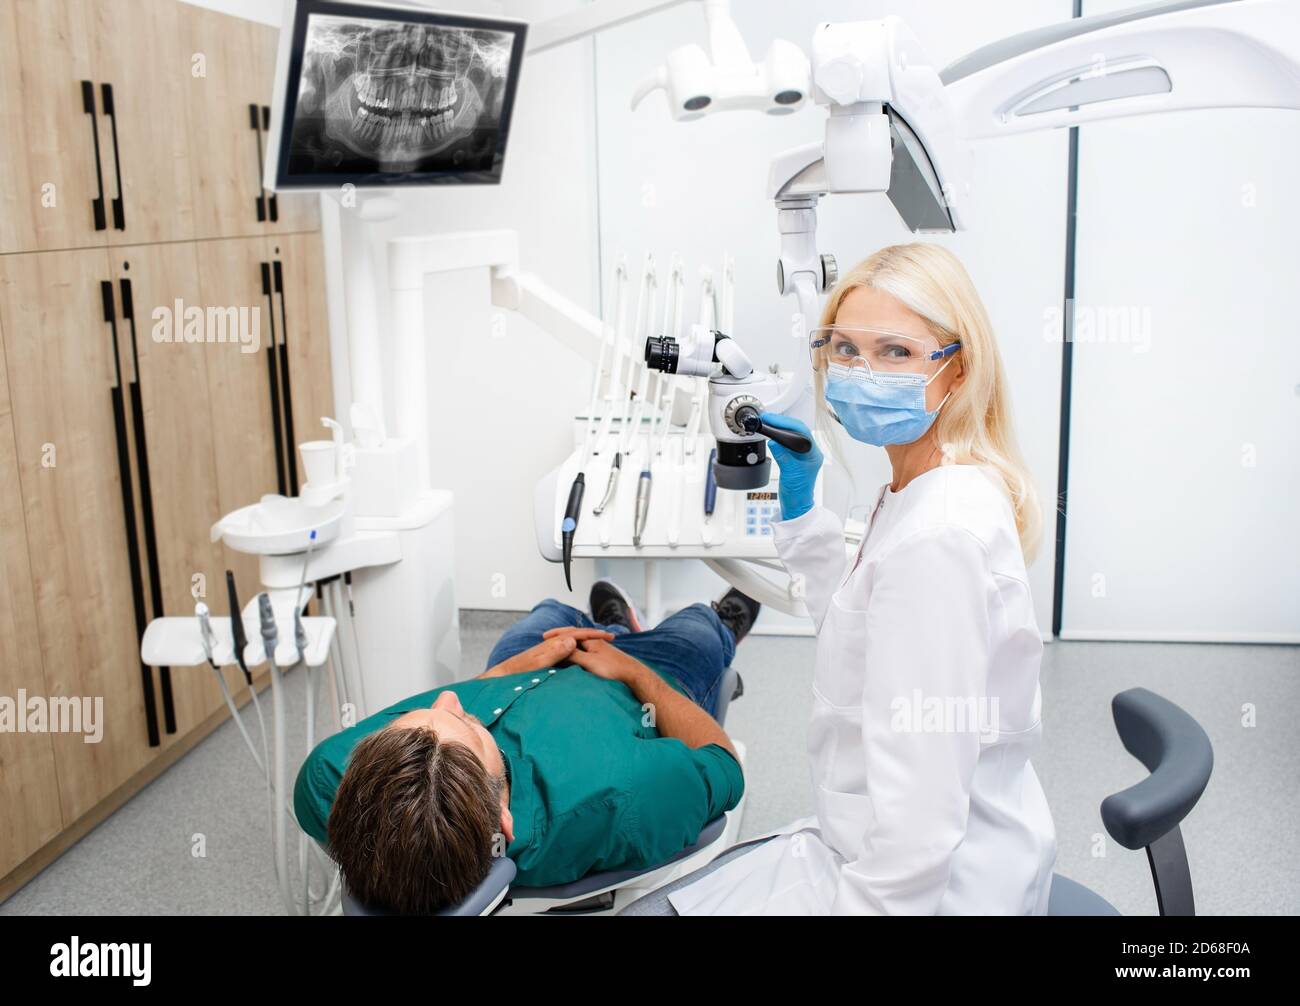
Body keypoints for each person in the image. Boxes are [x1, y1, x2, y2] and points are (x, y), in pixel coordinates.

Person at [661, 242, 1056, 915]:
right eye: (843, 349)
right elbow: (857, 628)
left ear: (958, 370)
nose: (861, 371)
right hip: (862, 846)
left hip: (924, 891)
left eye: (895, 352)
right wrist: (803, 510)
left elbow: (922, 823)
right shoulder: (921, 486)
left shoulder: (938, 538)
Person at [294, 580, 759, 914]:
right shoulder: (621, 796)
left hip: (526, 668)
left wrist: (507, 671)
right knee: (696, 627)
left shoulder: (327, 777)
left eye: (431, 714)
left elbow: (456, 707)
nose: (451, 696)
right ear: (502, 819)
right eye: (470, 728)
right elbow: (725, 767)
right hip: (643, 678)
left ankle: (613, 621)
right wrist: (632, 672)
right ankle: (713, 624)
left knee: (549, 611)